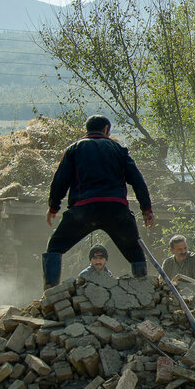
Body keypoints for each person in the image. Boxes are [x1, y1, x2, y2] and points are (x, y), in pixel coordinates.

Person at [43, 115, 155, 288]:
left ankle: (50, 289)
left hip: (83, 211)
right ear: (106, 130)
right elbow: (138, 181)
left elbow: (60, 181)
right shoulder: (119, 150)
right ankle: (143, 290)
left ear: (86, 130)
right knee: (135, 253)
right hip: (115, 210)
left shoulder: (73, 149)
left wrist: (53, 207)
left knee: (55, 247)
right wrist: (146, 210)